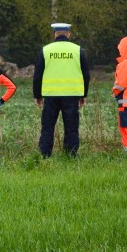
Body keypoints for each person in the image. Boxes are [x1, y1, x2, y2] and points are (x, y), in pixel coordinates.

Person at [32, 22, 91, 157]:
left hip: (51, 95)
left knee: (48, 127)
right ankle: (70, 154)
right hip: (72, 95)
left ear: (55, 34)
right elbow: (86, 75)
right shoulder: (78, 50)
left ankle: (45, 155)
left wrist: (37, 95)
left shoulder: (46, 50)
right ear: (68, 34)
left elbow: (38, 75)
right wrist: (83, 95)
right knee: (71, 127)